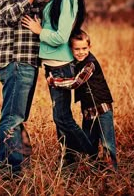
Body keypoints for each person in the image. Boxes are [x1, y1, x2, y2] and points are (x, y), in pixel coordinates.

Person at [22, 0, 96, 165]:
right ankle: (69, 161)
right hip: (53, 65)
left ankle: (93, 155)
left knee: (62, 117)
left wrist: (39, 30)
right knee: (60, 118)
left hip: (61, 66)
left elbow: (61, 37)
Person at [0, 0, 53, 176]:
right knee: (12, 117)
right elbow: (8, 15)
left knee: (19, 116)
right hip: (15, 59)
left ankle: (14, 167)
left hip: (28, 60)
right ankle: (10, 172)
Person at [47, 30, 118, 170]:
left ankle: (112, 171)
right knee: (89, 140)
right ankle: (93, 167)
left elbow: (75, 83)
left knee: (107, 142)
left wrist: (55, 81)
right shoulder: (75, 63)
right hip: (88, 111)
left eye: (84, 48)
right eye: (77, 49)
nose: (81, 52)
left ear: (89, 47)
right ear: (71, 50)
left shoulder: (90, 64)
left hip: (102, 109)